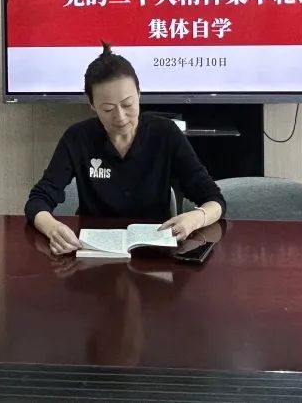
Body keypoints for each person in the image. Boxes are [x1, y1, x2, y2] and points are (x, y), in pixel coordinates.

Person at [25, 43, 225, 255]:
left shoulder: (165, 133)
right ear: (92, 105)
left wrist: (195, 219)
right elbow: (38, 199)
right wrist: (53, 228)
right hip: (94, 252)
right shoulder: (78, 138)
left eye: (128, 104)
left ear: (139, 94)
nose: (120, 117)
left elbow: (214, 199)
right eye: (108, 109)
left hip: (154, 252)